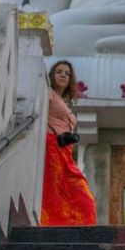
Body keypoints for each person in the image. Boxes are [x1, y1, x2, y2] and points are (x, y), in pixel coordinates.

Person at [40, 60, 97, 226]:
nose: (63, 75)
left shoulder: (64, 101)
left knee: (83, 197)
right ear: (52, 75)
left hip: (64, 151)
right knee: (53, 190)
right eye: (59, 71)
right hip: (51, 147)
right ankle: (51, 224)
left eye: (67, 73)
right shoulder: (47, 93)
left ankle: (76, 227)